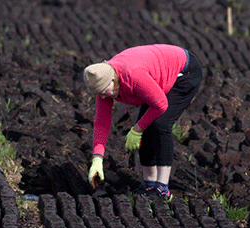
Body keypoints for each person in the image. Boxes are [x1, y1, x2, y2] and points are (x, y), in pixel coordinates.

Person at [84, 44, 202, 198]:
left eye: (105, 91)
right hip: (154, 79)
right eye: (100, 94)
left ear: (113, 79)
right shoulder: (102, 85)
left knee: (160, 125)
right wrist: (97, 158)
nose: (104, 97)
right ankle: (149, 184)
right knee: (146, 125)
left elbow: (161, 104)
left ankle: (162, 188)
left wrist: (137, 129)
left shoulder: (133, 75)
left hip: (184, 72)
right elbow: (101, 122)